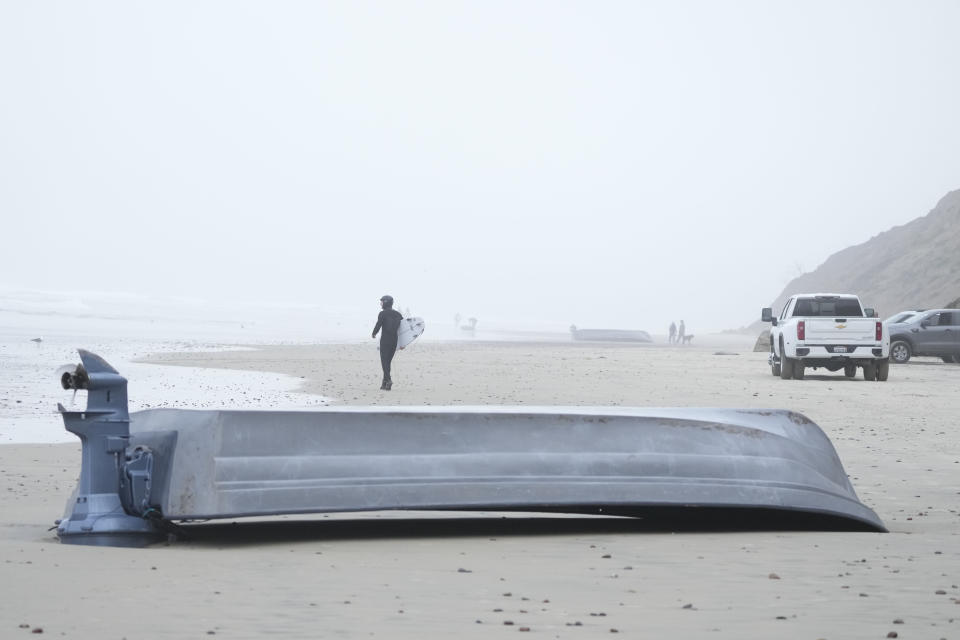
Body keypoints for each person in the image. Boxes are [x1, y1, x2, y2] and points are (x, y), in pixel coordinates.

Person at [372, 295, 403, 390]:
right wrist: (403, 344)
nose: (380, 303)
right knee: (388, 362)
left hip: (385, 341)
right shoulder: (398, 315)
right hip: (394, 341)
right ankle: (384, 383)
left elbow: (378, 325)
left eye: (381, 301)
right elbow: (402, 330)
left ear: (386, 302)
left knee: (384, 362)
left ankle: (388, 380)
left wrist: (374, 333)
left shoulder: (382, 314)